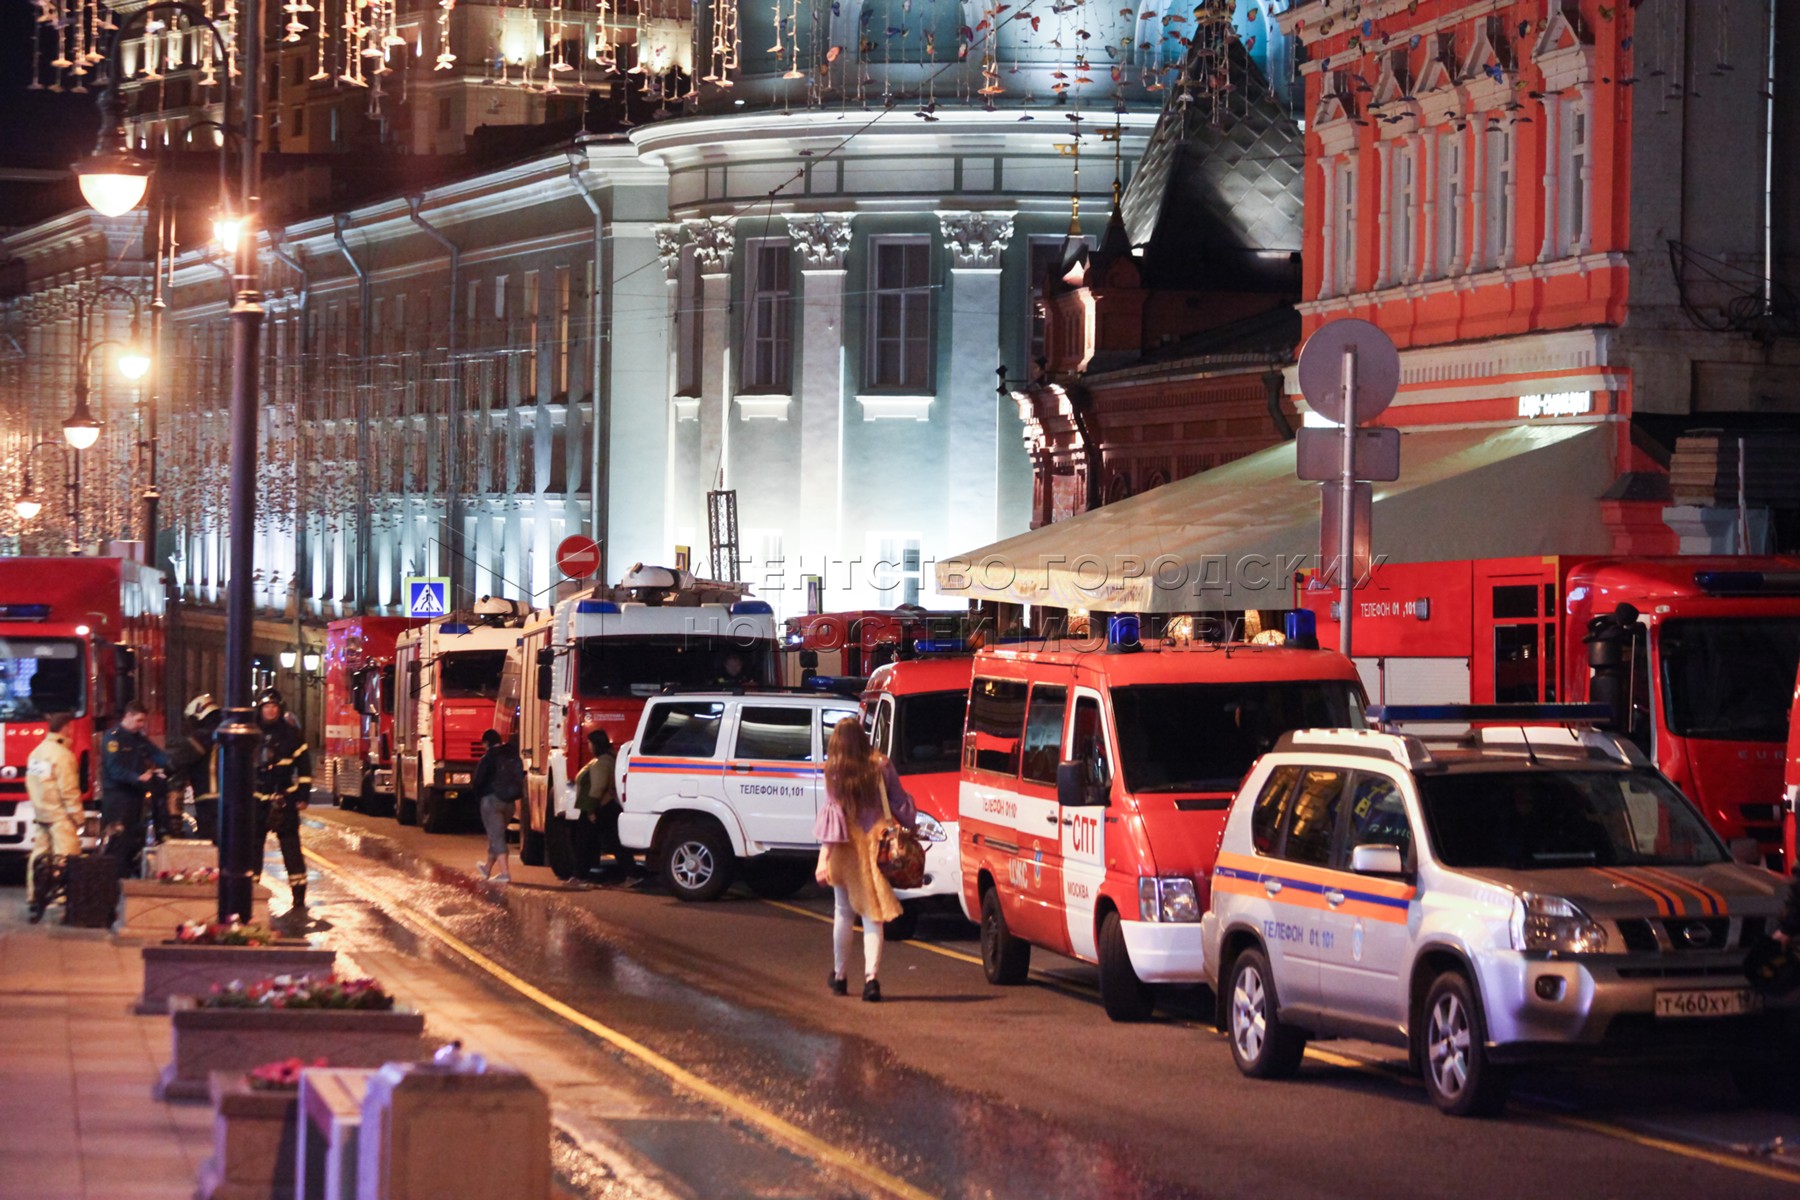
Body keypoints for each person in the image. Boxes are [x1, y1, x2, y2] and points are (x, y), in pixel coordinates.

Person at [813, 717, 917, 1002]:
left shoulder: (833, 771)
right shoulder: (881, 765)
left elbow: (832, 820)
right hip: (877, 845)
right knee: (874, 913)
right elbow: (901, 805)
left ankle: (840, 976)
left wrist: (823, 859)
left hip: (845, 847)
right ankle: (872, 979)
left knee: (843, 912)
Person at [253, 688, 312, 912]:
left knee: (292, 850)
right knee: (252, 850)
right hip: (256, 800)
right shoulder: (250, 733)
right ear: (260, 708)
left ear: (280, 709)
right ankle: (251, 891)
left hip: (283, 799)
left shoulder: (292, 735)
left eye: (274, 706)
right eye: (267, 706)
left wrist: (303, 796)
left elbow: (304, 768)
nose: (271, 710)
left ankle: (299, 896)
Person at [25, 712, 82, 923]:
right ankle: (63, 898)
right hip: (60, 816)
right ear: (66, 728)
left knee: (39, 856)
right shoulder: (62, 755)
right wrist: (77, 816)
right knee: (67, 857)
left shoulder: (36, 753)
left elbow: (33, 784)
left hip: (42, 814)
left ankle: (34, 896)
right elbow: (68, 790)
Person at [100, 700, 167, 876]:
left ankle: (127, 875)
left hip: (135, 795)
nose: (141, 725)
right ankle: (113, 878)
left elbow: (157, 755)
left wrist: (170, 766)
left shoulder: (139, 739)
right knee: (118, 839)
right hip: (118, 797)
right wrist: (137, 777)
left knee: (133, 837)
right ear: (128, 716)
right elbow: (114, 769)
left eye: (143, 721)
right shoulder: (113, 737)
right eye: (139, 720)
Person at [573, 729, 641, 882]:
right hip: (606, 807)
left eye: (590, 743)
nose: (588, 746)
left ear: (596, 744)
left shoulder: (602, 762)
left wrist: (590, 810)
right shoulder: (610, 759)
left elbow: (597, 787)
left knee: (583, 843)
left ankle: (579, 877)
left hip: (597, 807)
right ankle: (631, 874)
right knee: (615, 842)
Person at [166, 694, 223, 843]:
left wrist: (164, 767)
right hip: (233, 799)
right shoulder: (226, 731)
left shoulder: (203, 736)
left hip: (209, 800)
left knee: (210, 845)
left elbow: (177, 761)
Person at [473, 729, 524, 885]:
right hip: (510, 802)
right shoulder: (513, 755)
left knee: (497, 836)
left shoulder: (488, 758)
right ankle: (487, 868)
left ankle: (505, 873)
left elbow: (478, 781)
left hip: (492, 801)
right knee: (496, 834)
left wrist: (479, 796)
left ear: (487, 743)